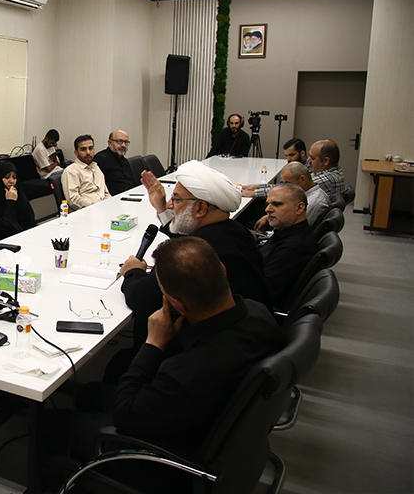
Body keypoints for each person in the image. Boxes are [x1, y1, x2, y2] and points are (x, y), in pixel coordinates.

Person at [40, 237, 282, 492]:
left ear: (176, 304)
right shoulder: (258, 313)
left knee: (48, 425)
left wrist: (153, 343)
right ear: (222, 270)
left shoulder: (190, 370)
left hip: (169, 454)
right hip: (210, 425)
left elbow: (125, 414)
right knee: (90, 394)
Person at [114, 160, 267, 375]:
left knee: (116, 366)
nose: (170, 204)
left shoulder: (198, 253)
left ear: (201, 208)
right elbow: (188, 236)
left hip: (199, 357)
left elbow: (142, 298)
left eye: (176, 199)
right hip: (244, 337)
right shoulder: (235, 231)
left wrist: (132, 272)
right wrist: (161, 208)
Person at [258, 183, 319, 310]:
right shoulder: (286, 232)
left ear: (299, 208)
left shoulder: (294, 248)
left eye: (277, 204)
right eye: (268, 204)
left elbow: (262, 291)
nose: (268, 209)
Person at [251, 162, 330, 231]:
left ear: (302, 180)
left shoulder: (313, 203)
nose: (284, 187)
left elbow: (294, 229)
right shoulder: (310, 193)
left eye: (287, 183)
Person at [240, 137, 311, 200]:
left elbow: (283, 190)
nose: (288, 159)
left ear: (302, 153)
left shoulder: (304, 171)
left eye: (291, 155)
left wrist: (254, 193)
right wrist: (258, 186)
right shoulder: (297, 166)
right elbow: (280, 186)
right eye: (287, 156)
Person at [61, 134, 111, 210]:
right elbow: (73, 200)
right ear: (76, 153)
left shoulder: (96, 167)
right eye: (83, 149)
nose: (88, 152)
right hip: (87, 212)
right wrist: (96, 207)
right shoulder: (71, 171)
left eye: (91, 148)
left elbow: (105, 193)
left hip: (103, 208)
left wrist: (111, 204)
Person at [93, 129, 137, 195]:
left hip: (130, 195)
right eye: (119, 141)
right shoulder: (101, 159)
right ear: (110, 142)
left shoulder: (124, 160)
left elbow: (131, 182)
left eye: (126, 142)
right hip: (113, 198)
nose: (123, 145)